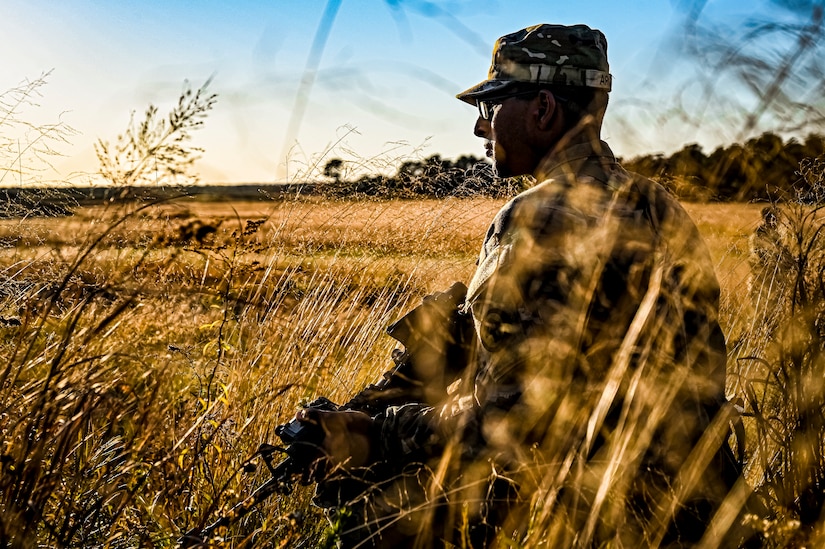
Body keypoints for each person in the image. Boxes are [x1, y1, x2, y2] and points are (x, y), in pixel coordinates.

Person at [299, 23, 757, 548]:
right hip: (703, 508)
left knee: (371, 522)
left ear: (542, 109)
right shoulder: (658, 205)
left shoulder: (536, 215)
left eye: (491, 105)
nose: (479, 127)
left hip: (597, 512)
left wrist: (375, 432)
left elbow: (510, 420)